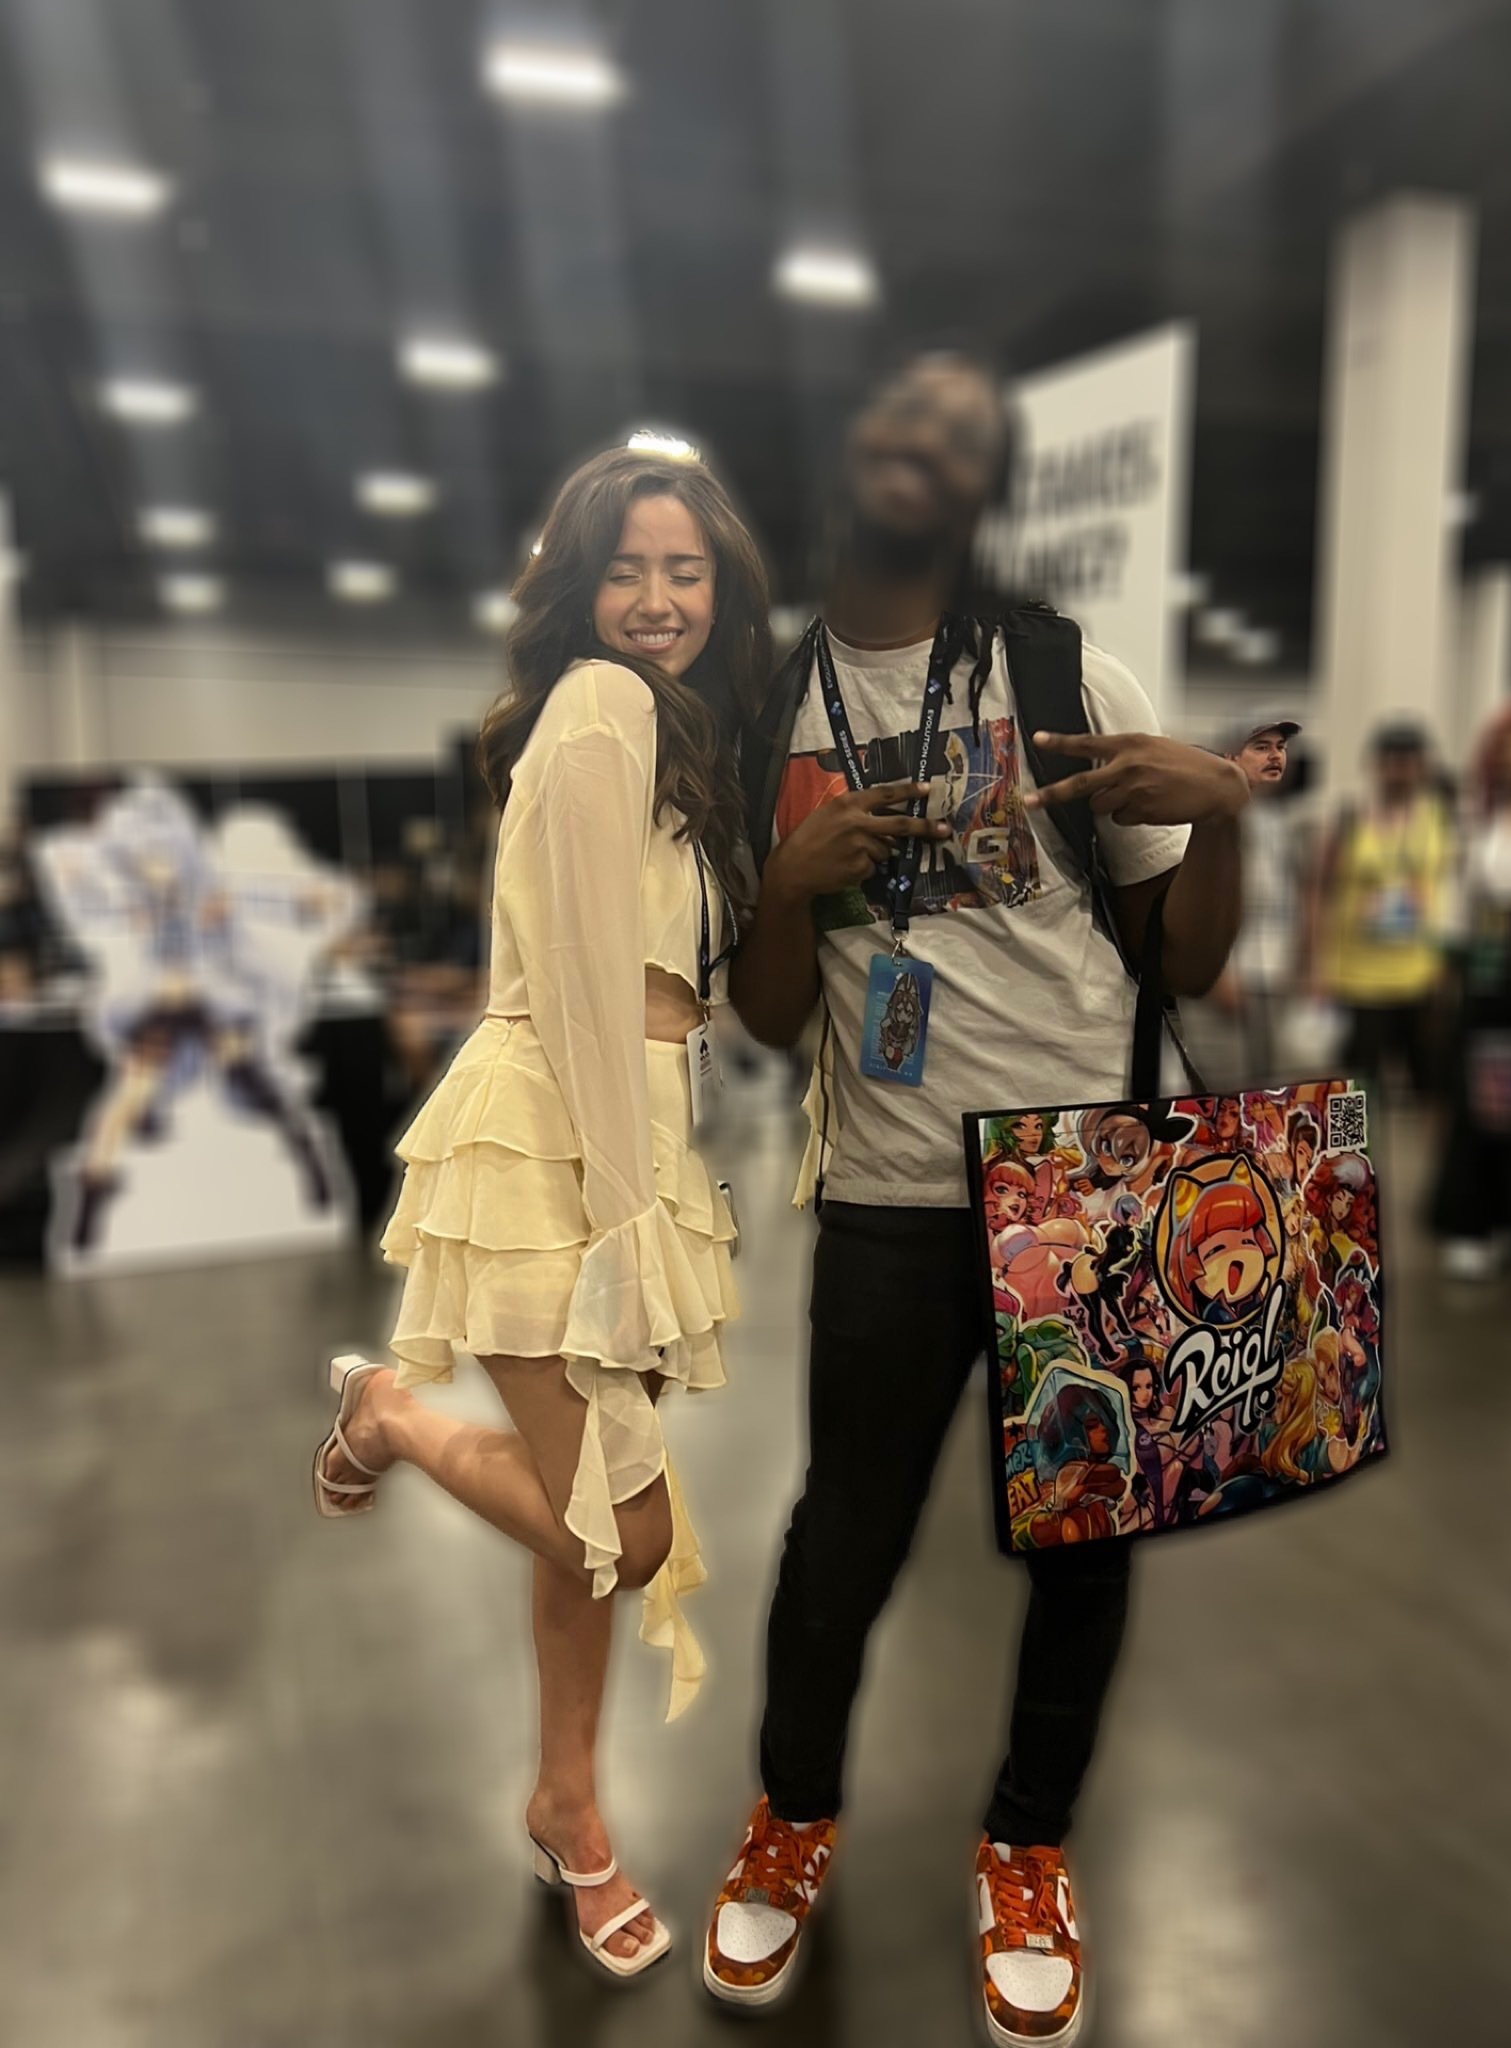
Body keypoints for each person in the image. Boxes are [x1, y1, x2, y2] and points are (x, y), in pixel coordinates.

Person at [702, 352, 1246, 2047]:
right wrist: (785, 891)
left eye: (964, 432)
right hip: (886, 1195)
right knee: (840, 1540)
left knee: (1083, 1546)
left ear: (985, 482)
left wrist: (1226, 818)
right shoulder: (772, 707)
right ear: (852, 444)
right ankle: (791, 1817)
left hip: (1084, 1186)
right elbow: (771, 1018)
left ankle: (1027, 1844)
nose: (927, 443)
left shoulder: (1064, 670)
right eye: (905, 415)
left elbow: (1184, 962)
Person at [309, 447, 770, 1978]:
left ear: (722, 583)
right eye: (626, 569)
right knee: (622, 1527)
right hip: (558, 1146)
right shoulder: (605, 704)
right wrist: (629, 1225)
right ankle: (388, 1415)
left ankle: (567, 1804)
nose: (658, 598)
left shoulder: (669, 732)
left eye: (685, 570)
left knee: (584, 1527)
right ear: (582, 585)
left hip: (625, 1129)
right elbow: (578, 987)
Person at [1432, 700, 1511, 1277]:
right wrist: (1450, 976)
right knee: (1484, 1103)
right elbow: (1461, 909)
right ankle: (1476, 1223)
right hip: (1491, 979)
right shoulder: (1483, 827)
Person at [1307, 721, 1456, 1098]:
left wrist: (1446, 962)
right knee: (1357, 1089)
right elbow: (1318, 892)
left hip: (1420, 974)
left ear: (1423, 766)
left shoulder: (1439, 817)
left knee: (1429, 1087)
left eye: (1409, 760)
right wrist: (1316, 966)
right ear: (1375, 763)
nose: (1400, 769)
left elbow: (1452, 892)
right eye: (1392, 759)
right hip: (1357, 978)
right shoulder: (1348, 818)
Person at [1200, 714, 1304, 1083]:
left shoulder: (1278, 823)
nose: (1275, 757)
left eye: (1280, 748)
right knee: (1227, 1089)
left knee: (1272, 1093)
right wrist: (1217, 975)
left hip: (1274, 976)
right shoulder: (1211, 817)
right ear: (1230, 757)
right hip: (1227, 978)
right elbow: (1199, 904)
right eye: (1261, 748)